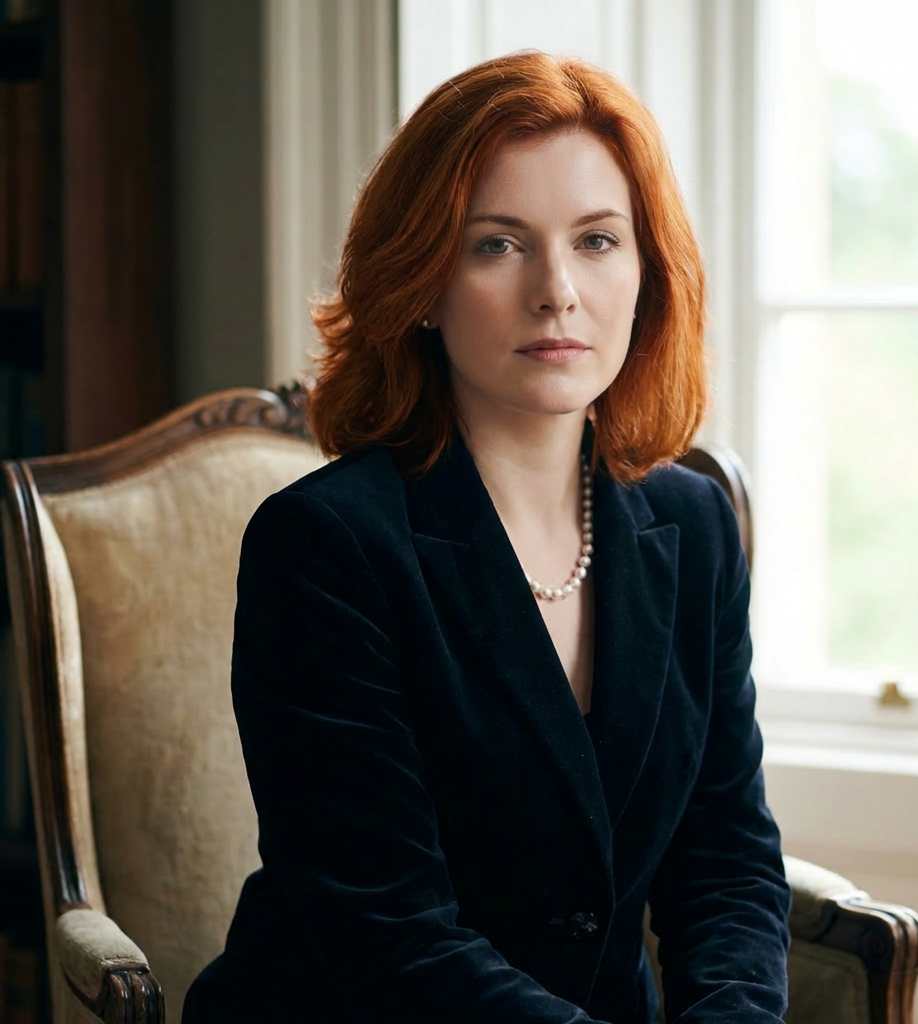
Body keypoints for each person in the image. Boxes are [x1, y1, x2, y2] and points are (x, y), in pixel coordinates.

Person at [184, 51, 790, 1024]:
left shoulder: (694, 522)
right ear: (421, 280)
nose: (556, 290)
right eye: (497, 245)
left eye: (597, 240)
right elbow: (390, 934)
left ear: (647, 274)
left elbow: (724, 860)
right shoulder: (327, 545)